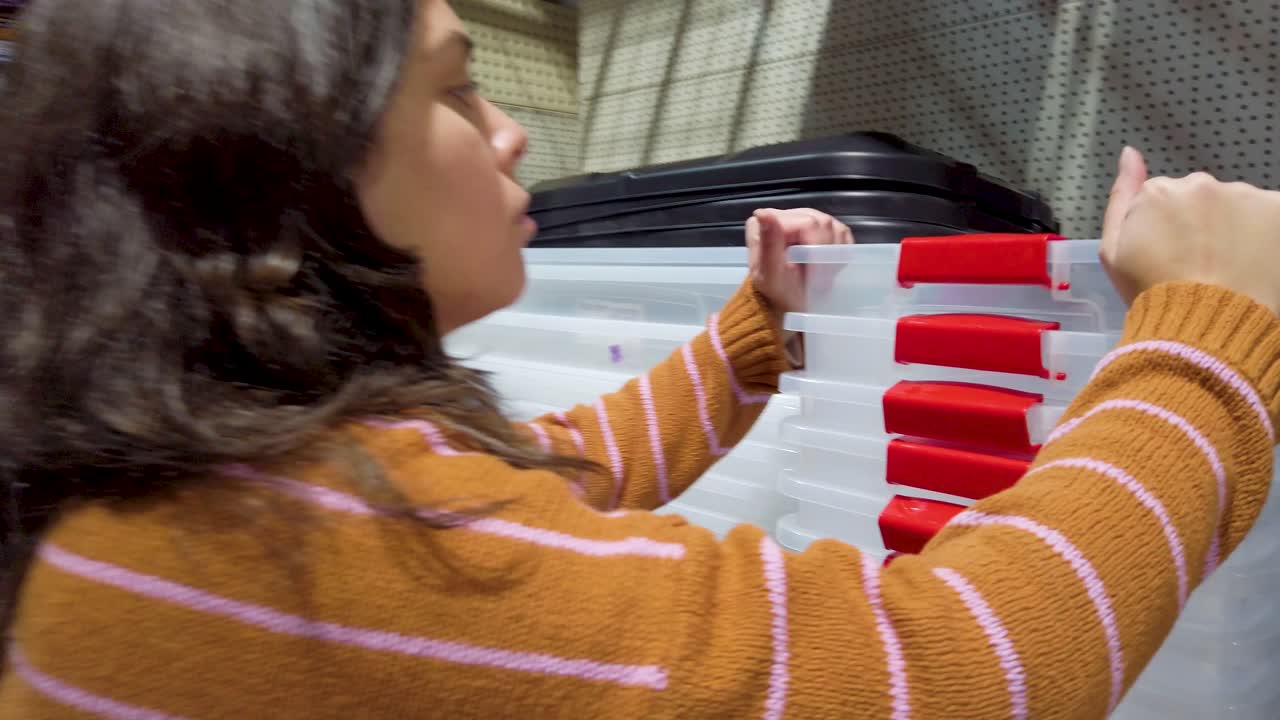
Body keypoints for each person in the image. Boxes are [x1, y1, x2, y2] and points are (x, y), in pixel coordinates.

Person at [0, 1, 1278, 718]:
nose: (504, 136)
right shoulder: (320, 546)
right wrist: (1205, 331)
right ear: (283, 171)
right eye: (454, 92)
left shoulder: (198, 499)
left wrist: (750, 336)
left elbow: (560, 482)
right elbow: (941, 671)